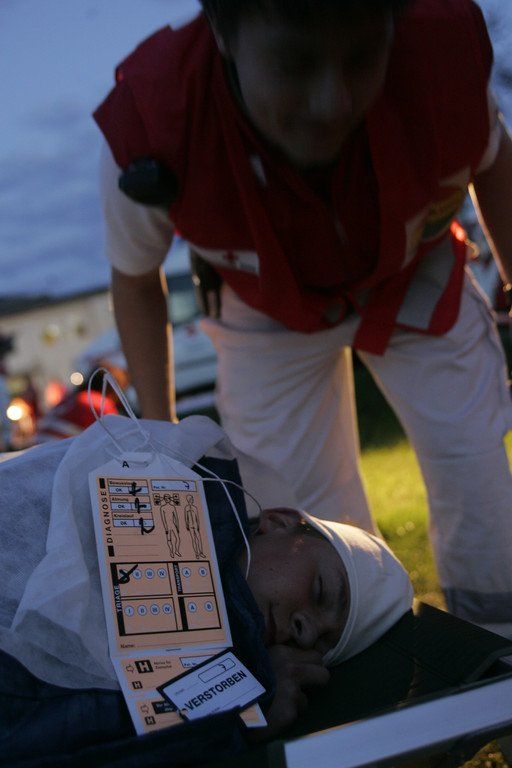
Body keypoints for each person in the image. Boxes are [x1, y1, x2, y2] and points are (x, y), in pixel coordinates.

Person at [93, 0, 512, 638]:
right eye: (294, 64)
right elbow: (134, 274)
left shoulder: (439, 60)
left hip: (413, 267)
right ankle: (367, 657)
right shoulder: (154, 120)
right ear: (222, 33)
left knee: (474, 468)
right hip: (265, 302)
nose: (331, 102)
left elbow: (493, 157)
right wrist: (159, 433)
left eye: (362, 59)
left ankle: (499, 644)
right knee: (304, 510)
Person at [0, 415, 412, 766]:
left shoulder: (235, 676)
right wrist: (240, 710)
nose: (305, 631)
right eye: (321, 591)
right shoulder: (166, 476)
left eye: (320, 644)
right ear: (278, 521)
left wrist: (238, 711)